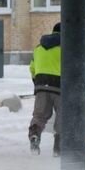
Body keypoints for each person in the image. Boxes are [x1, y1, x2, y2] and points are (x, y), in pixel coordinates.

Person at [28, 23, 62, 156]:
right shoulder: (66, 47)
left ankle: (34, 135)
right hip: (60, 86)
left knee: (39, 115)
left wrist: (37, 82)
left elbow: (32, 68)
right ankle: (58, 147)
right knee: (62, 116)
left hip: (41, 85)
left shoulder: (38, 48)